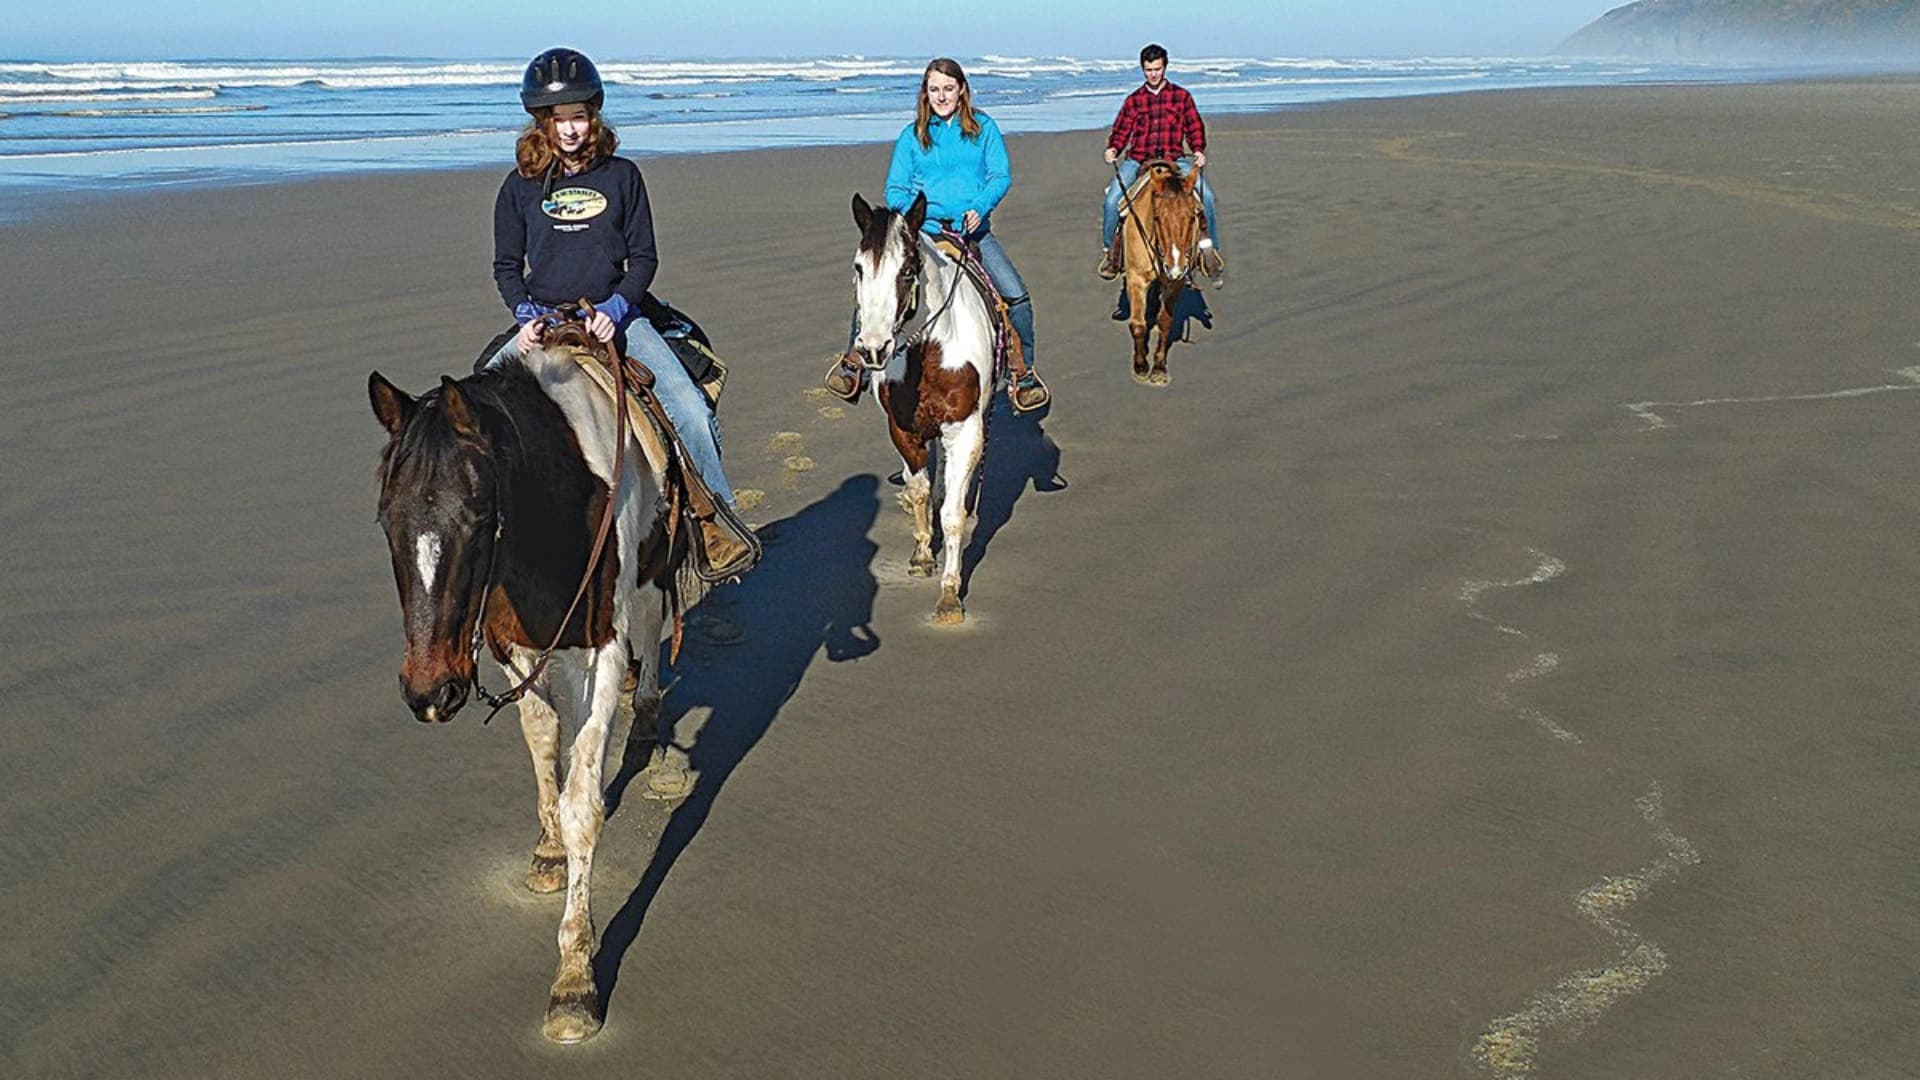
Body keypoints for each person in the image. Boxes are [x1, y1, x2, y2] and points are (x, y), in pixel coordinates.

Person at [488, 47, 753, 579]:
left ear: (595, 116)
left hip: (617, 316)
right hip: (545, 321)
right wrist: (524, 314)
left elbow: (644, 258)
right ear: (542, 122)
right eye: (558, 119)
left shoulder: (623, 176)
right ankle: (490, 543)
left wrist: (615, 307)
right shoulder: (518, 187)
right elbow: (505, 266)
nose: (569, 130)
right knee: (476, 409)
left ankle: (714, 523)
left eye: (579, 117)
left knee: (689, 409)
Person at [824, 57, 1049, 413]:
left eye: (948, 88)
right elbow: (895, 188)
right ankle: (855, 365)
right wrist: (914, 218)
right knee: (878, 279)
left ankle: (1023, 375)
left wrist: (979, 208)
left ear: (961, 90)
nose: (941, 96)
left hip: (970, 232)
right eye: (934, 90)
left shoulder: (984, 128)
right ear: (925, 94)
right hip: (922, 232)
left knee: (1016, 296)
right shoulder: (912, 136)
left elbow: (999, 177)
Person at [1098, 43, 1225, 308]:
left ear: (1165, 67)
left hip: (1175, 159)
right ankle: (1112, 254)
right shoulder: (1134, 100)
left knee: (1208, 196)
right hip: (1139, 160)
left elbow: (1194, 127)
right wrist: (1113, 148)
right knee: (1112, 202)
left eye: (1157, 69)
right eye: (1148, 70)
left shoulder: (1181, 97)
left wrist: (1199, 150)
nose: (1153, 74)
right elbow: (1122, 129)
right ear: (1142, 69)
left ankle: (1209, 252)